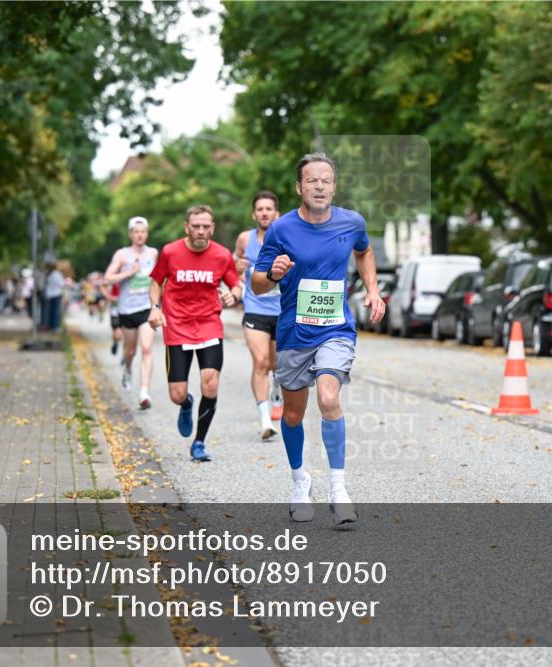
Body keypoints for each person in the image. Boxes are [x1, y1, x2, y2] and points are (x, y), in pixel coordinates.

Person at [251, 152, 385, 527]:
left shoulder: (351, 222)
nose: (320, 186)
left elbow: (364, 250)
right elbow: (257, 285)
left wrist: (372, 290)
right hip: (294, 331)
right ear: (299, 187)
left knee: (329, 397)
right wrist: (274, 274)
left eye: (326, 180)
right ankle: (299, 481)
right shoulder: (281, 230)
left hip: (335, 329)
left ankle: (339, 489)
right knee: (292, 414)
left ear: (334, 186)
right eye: (312, 180)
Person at [147, 204, 241, 463]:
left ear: (213, 228)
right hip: (177, 326)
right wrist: (155, 308)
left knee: (210, 383)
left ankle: (199, 442)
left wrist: (232, 295)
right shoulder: (170, 251)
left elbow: (236, 286)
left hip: (209, 324)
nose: (201, 231)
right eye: (196, 226)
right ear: (186, 227)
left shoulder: (222, 255)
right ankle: (186, 404)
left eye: (205, 226)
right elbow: (156, 281)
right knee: (177, 394)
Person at [235, 190, 284, 440]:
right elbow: (235, 265)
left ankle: (277, 390)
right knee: (261, 362)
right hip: (255, 309)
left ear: (276, 213)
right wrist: (237, 267)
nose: (264, 213)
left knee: (277, 364)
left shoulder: (286, 236)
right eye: (260, 209)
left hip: (281, 310)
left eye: (269, 209)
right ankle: (265, 419)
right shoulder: (245, 239)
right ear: (254, 214)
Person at [105, 216, 158, 409]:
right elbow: (108, 278)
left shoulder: (153, 253)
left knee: (146, 348)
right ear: (130, 234)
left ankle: (144, 392)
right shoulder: (122, 255)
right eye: (136, 232)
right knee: (130, 350)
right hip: (127, 310)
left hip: (146, 307)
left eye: (143, 231)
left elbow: (159, 278)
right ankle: (127, 369)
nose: (140, 235)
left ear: (147, 233)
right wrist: (128, 272)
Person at [99, 280, 122, 357]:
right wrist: (110, 297)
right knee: (117, 333)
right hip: (115, 311)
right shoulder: (114, 277)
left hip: (129, 311)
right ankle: (116, 342)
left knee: (127, 335)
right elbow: (103, 286)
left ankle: (126, 356)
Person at [44, 262, 65, 331]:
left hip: (50, 294)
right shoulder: (57, 274)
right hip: (56, 294)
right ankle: (56, 326)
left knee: (51, 311)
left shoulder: (49, 275)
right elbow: (62, 284)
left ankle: (52, 325)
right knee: (56, 311)